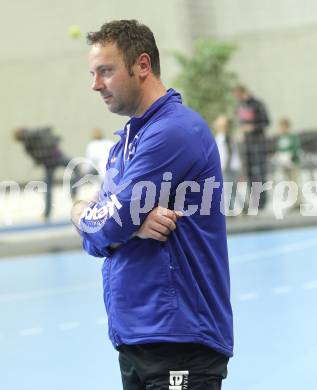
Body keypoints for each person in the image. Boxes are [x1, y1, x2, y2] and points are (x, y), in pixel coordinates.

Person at [71, 20, 233, 390]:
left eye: (106, 71)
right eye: (93, 73)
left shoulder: (174, 131)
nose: (95, 84)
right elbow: (102, 228)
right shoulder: (123, 145)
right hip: (136, 340)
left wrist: (105, 220)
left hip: (179, 340)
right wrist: (89, 215)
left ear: (142, 66)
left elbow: (109, 225)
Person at [15, 126, 80, 220]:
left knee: (48, 188)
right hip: (56, 156)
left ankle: (46, 214)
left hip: (49, 162)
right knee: (76, 168)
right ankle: (73, 194)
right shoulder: (36, 132)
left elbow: (36, 158)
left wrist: (39, 161)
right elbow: (52, 135)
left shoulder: (27, 144)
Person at [233, 85, 270, 211]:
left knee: (260, 173)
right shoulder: (240, 106)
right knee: (248, 173)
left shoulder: (258, 104)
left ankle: (263, 202)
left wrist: (252, 127)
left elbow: (266, 122)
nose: (237, 98)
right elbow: (240, 123)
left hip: (258, 143)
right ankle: (254, 201)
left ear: (243, 92)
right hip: (246, 145)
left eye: (238, 95)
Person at [213, 114, 244, 214]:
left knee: (228, 189)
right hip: (228, 167)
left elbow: (228, 153)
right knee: (230, 189)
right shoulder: (222, 138)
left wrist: (224, 166)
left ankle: (232, 209)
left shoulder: (225, 138)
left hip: (227, 167)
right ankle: (236, 208)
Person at [274, 118, 301, 206]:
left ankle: (298, 201)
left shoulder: (292, 137)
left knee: (294, 182)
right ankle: (291, 201)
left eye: (283, 127)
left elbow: (296, 148)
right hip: (284, 164)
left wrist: (291, 158)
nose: (282, 129)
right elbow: (278, 150)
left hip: (292, 163)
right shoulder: (280, 138)